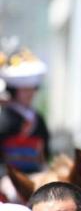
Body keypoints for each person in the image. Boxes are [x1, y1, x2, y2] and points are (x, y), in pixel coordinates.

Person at [0, 46, 50, 174]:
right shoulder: (3, 117)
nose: (30, 94)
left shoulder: (38, 119)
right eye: (25, 89)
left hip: (36, 175)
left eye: (32, 89)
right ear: (14, 90)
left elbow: (45, 153)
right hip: (7, 177)